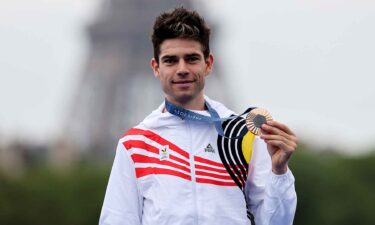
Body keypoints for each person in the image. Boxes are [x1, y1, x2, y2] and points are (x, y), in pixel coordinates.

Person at [99, 7, 297, 225]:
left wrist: (279, 172)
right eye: (170, 60)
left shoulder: (240, 135)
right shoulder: (134, 145)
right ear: (156, 67)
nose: (182, 69)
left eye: (191, 58)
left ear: (209, 64)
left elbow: (276, 223)